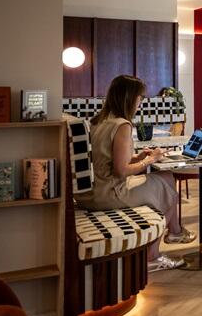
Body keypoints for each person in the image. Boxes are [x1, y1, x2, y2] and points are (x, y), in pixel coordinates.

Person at [77, 75, 195, 271]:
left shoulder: (100, 121)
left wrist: (139, 157)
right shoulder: (122, 125)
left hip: (93, 190)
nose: (141, 102)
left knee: (167, 177)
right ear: (130, 97)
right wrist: (151, 159)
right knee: (169, 193)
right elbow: (121, 171)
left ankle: (175, 232)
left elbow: (108, 160)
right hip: (110, 193)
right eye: (140, 97)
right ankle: (153, 256)